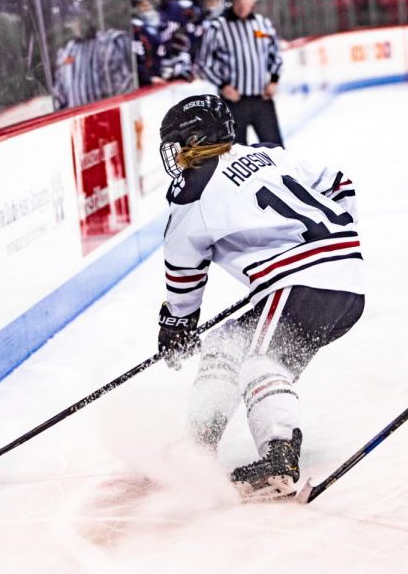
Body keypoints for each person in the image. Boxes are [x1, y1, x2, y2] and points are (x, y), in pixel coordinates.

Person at [155, 95, 364, 500]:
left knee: (259, 361)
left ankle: (279, 456)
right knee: (226, 346)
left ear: (196, 139)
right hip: (342, 281)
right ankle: (199, 445)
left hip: (299, 281)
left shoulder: (194, 190)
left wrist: (177, 323)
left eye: (180, 144)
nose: (177, 156)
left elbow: (183, 265)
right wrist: (339, 242)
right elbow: (341, 183)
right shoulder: (267, 155)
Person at [197, 0, 284, 146]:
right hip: (233, 104)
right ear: (231, 0)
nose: (242, 3)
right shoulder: (218, 27)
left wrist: (274, 80)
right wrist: (223, 86)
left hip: (262, 100)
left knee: (276, 152)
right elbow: (202, 64)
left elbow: (275, 54)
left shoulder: (262, 25)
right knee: (237, 156)